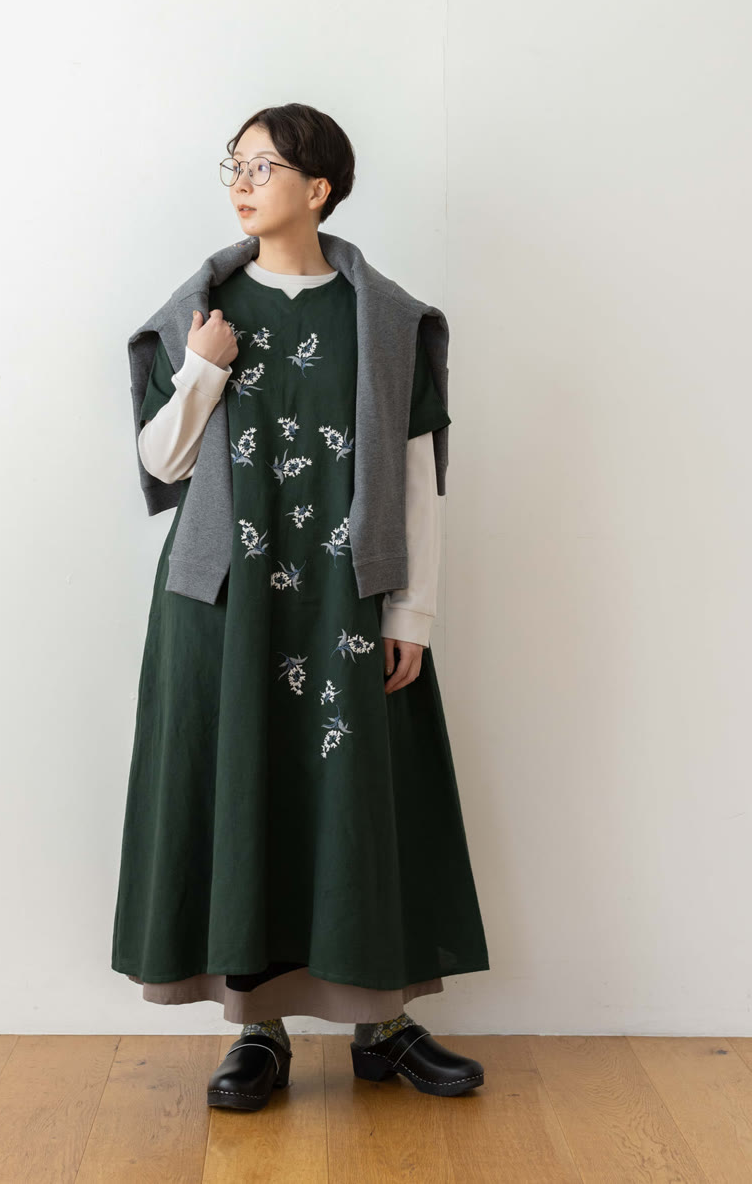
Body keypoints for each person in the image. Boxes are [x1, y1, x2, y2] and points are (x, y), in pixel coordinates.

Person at [112, 102, 489, 1111]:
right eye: (233, 165)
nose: (241, 183)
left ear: (316, 188)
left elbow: (416, 479)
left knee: (359, 802)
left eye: (262, 166)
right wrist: (203, 368)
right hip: (224, 605)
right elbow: (160, 462)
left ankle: (384, 1027)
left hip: (346, 598)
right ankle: (257, 1031)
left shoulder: (386, 320)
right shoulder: (203, 309)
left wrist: (411, 616)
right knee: (244, 792)